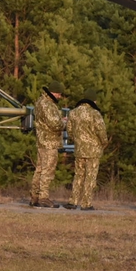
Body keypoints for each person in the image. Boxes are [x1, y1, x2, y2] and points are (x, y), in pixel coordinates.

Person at [65, 89, 107, 210]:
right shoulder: (95, 113)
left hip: (79, 150)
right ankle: (86, 203)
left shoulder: (73, 113)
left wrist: (77, 141)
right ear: (93, 100)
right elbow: (101, 131)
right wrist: (103, 143)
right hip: (93, 151)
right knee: (90, 177)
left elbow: (69, 131)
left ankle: (73, 201)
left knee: (78, 175)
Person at [30, 80, 65, 208]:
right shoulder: (48, 105)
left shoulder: (40, 102)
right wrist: (64, 122)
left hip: (41, 141)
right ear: (54, 93)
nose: (60, 97)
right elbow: (55, 124)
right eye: (59, 94)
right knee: (47, 170)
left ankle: (35, 196)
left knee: (39, 169)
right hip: (49, 142)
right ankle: (43, 197)